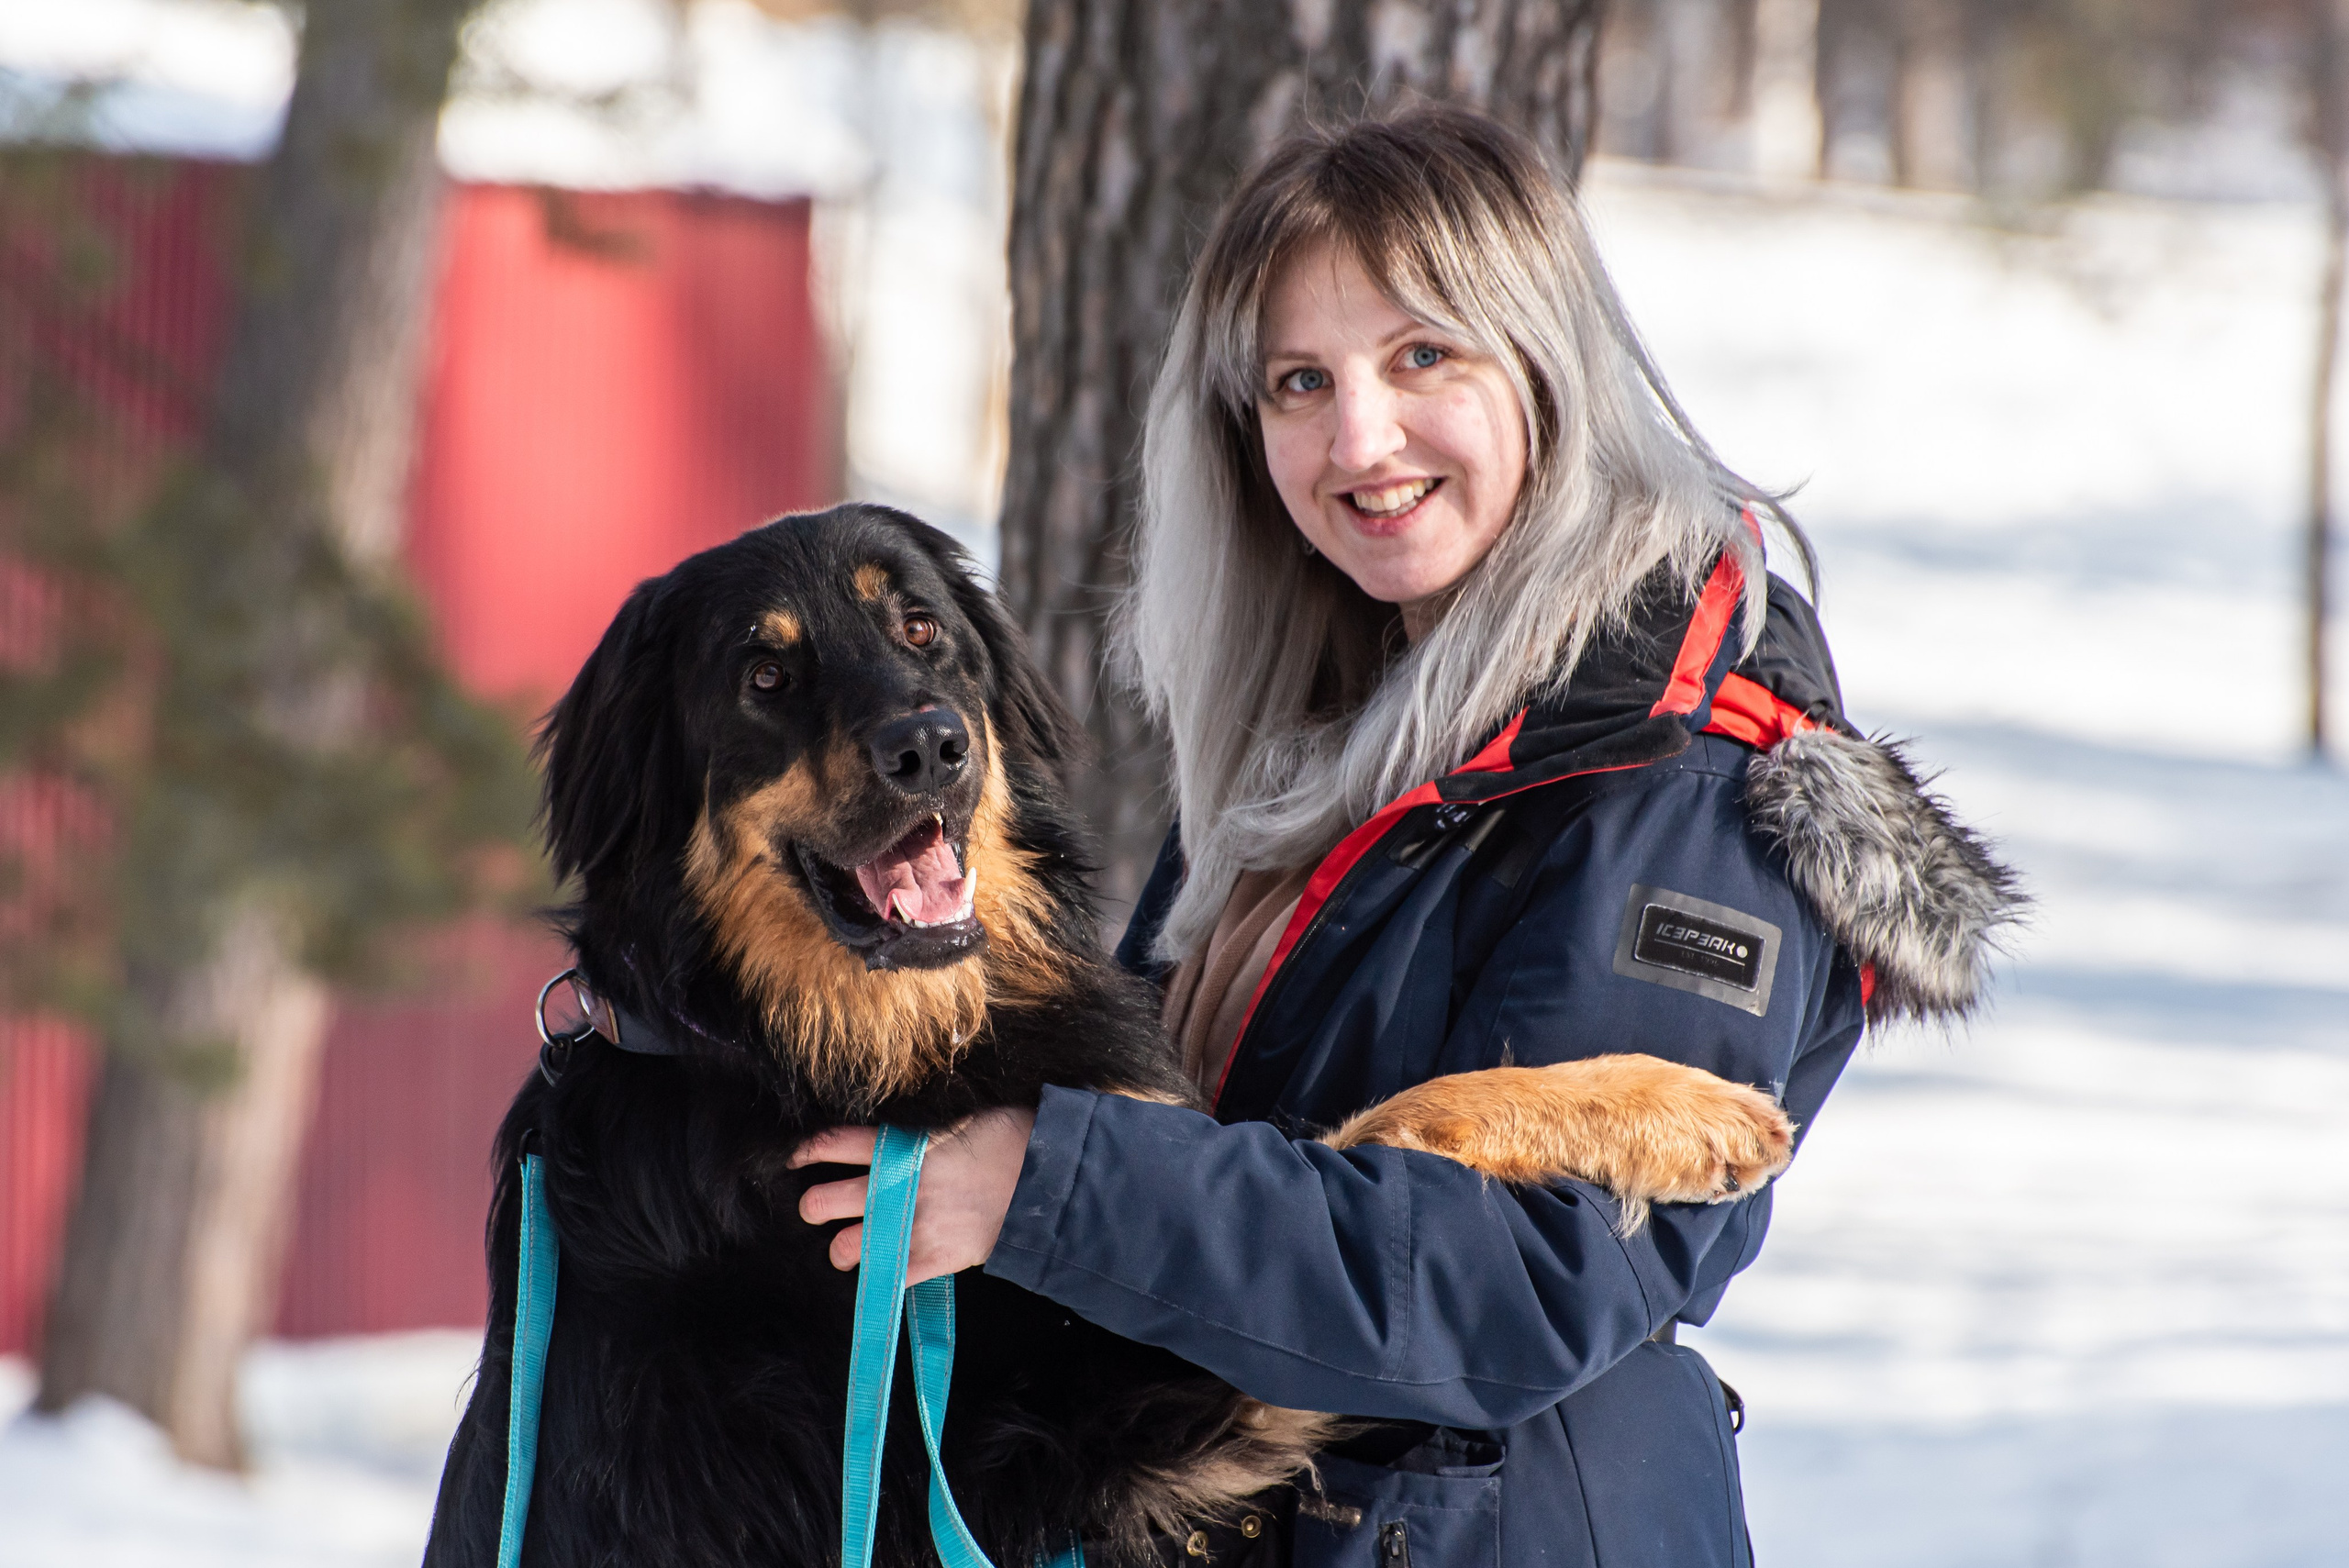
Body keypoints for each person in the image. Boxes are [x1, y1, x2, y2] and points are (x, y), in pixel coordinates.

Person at [796, 106, 2020, 1568]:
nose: (1358, 438)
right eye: (1299, 382)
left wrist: (1048, 1186)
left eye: (1421, 354)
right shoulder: (1328, 750)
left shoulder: (1685, 781)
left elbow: (1524, 1280)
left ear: (1543, 361)